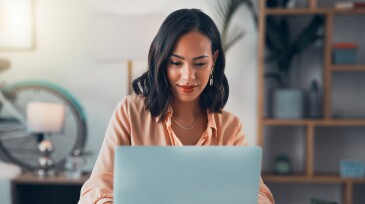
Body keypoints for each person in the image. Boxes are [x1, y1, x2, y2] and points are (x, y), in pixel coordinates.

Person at [79, 8, 274, 204]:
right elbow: (95, 190)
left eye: (200, 64)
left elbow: (259, 194)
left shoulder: (230, 127)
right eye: (176, 63)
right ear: (162, 61)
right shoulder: (129, 113)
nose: (188, 76)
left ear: (213, 61)